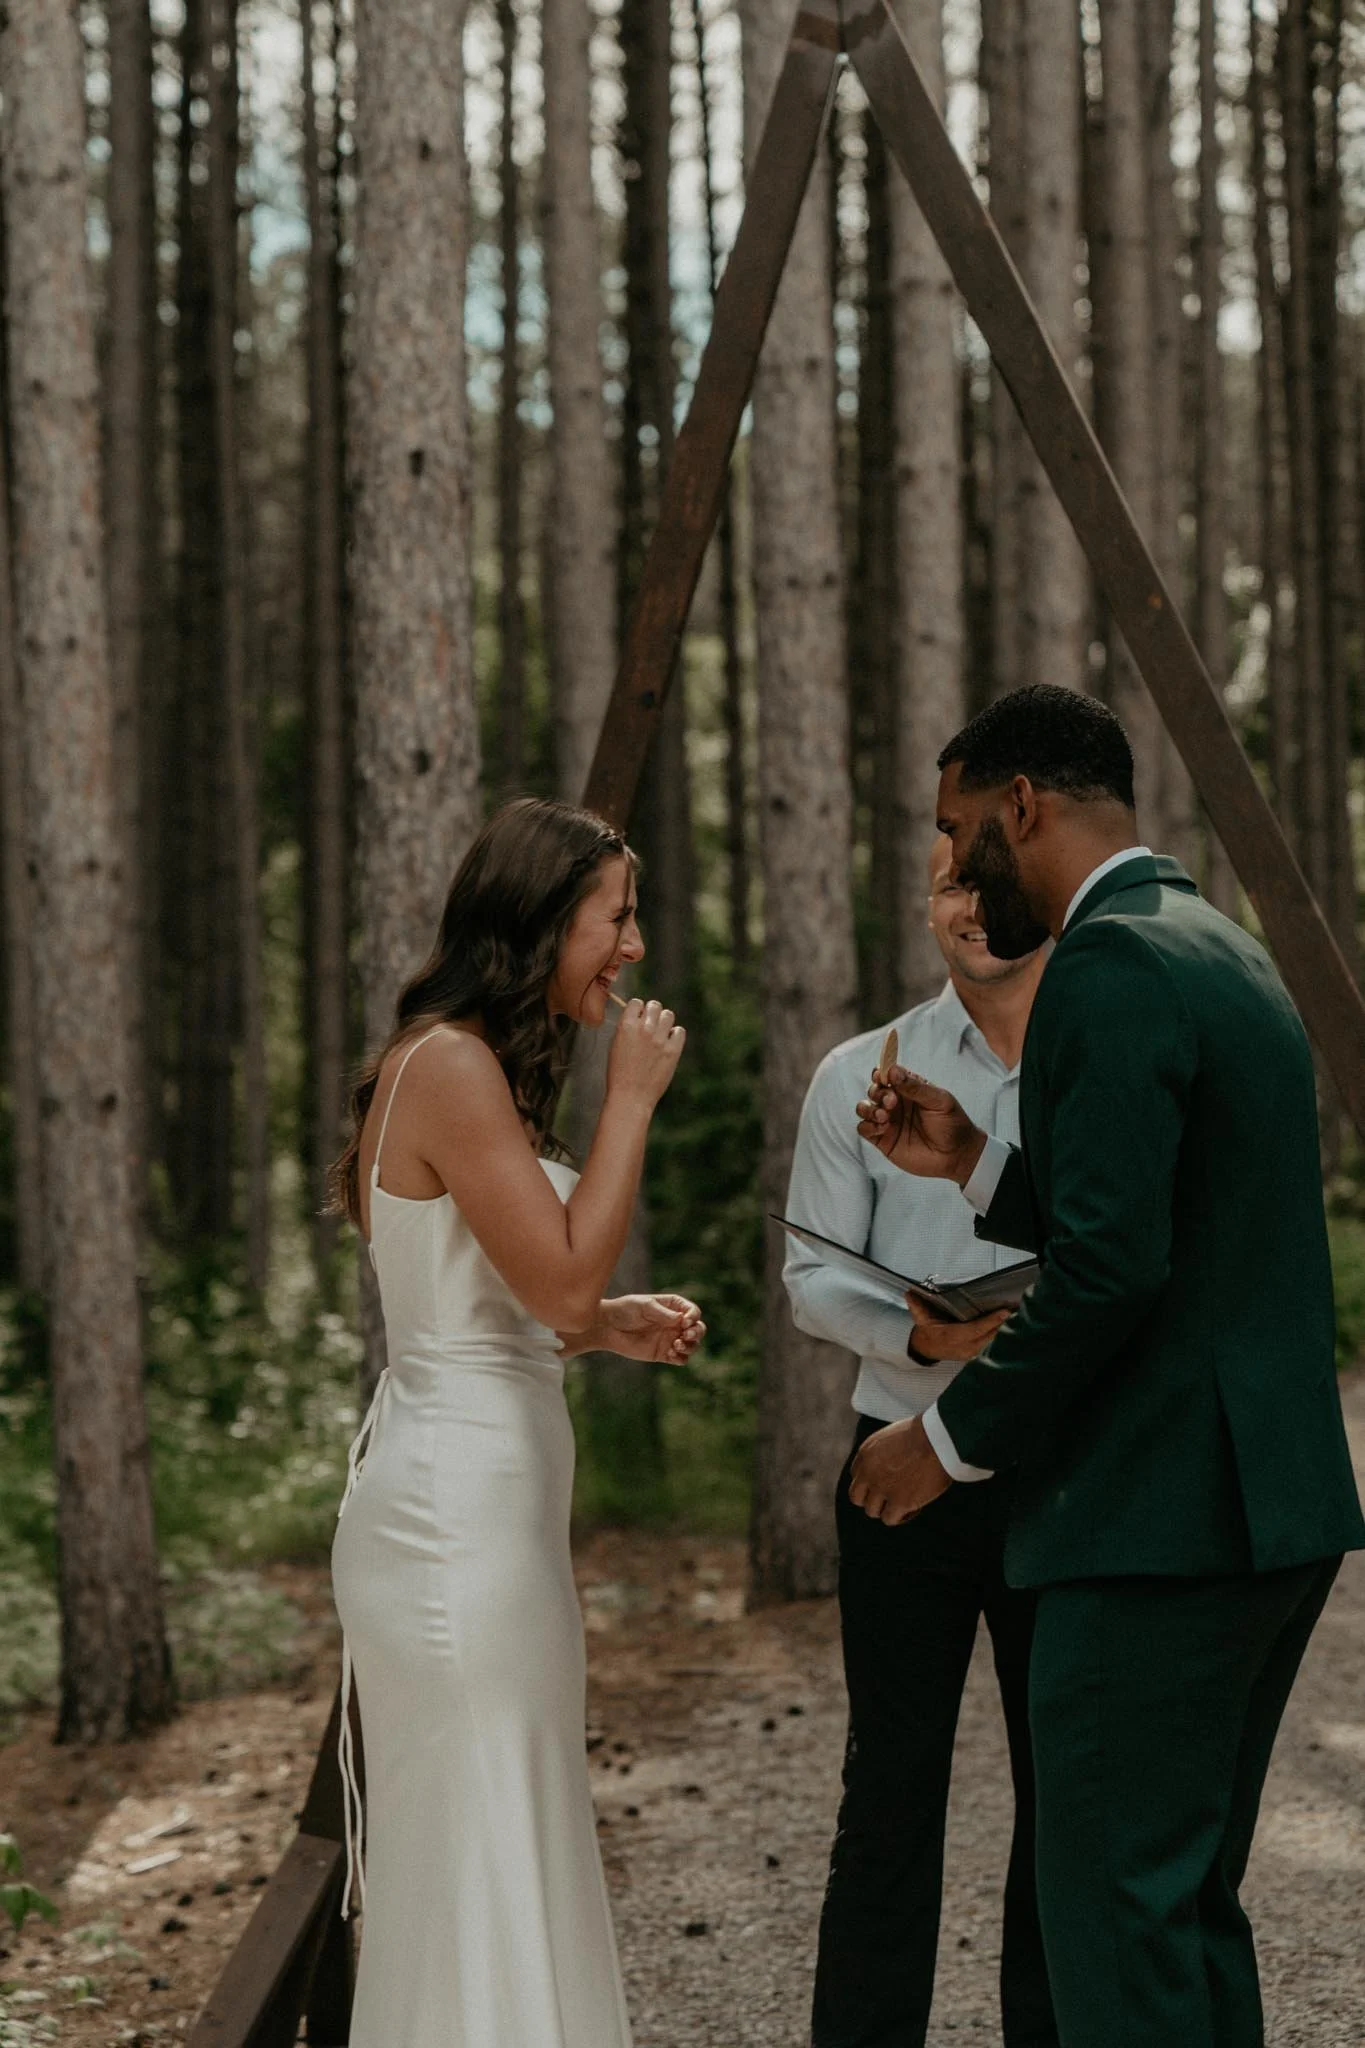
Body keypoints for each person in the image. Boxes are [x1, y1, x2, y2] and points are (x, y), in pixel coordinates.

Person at [853, 685, 1365, 2048]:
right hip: (1259, 1516)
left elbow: (1109, 1274)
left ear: (1022, 804)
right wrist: (973, 1159)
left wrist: (943, 1441)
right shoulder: (1215, 944)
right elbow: (1166, 1218)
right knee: (1183, 1907)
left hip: (1153, 1527)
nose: (952, 864)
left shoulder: (1105, 965)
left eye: (960, 829)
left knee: (1112, 1925)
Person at [329, 797, 704, 2048]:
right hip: (452, 1532)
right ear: (543, 920)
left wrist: (608, 1326)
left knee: (509, 1826)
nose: (634, 945)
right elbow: (552, 1279)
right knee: (483, 1836)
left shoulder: (466, 1067)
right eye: (617, 916)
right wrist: (632, 1100)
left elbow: (503, 1301)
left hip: (489, 1518)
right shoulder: (447, 1065)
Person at [784, 836, 1057, 2048]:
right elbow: (809, 1277)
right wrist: (925, 1334)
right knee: (890, 1790)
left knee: (1064, 1797)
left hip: (1063, 1475)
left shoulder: (1093, 1064)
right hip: (901, 1469)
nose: (969, 905)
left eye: (988, 882)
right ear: (926, 902)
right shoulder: (859, 1069)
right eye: (950, 882)